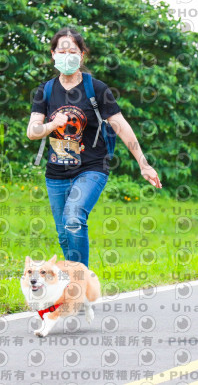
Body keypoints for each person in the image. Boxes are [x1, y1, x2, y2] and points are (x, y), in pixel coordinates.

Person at [27, 28, 162, 267]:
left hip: (91, 167)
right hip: (56, 172)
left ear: (82, 55)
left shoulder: (96, 89)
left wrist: (143, 163)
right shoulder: (45, 90)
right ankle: (75, 282)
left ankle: (80, 280)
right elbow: (32, 132)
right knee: (64, 234)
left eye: (72, 51)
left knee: (73, 219)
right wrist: (53, 125)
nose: (67, 56)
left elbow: (121, 126)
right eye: (61, 51)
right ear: (53, 54)